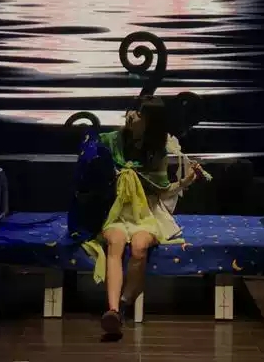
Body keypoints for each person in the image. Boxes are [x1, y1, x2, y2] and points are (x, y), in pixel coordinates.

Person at [67, 95, 207, 336]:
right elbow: (90, 169)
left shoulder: (157, 152)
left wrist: (185, 182)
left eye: (139, 113)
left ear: (151, 122)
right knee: (115, 242)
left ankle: (122, 306)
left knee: (139, 247)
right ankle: (112, 310)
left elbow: (162, 190)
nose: (131, 115)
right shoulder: (112, 142)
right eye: (131, 110)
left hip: (146, 213)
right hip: (117, 211)